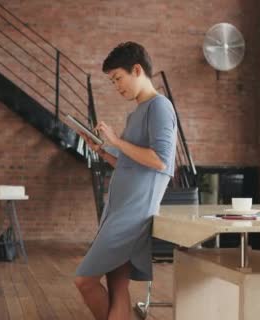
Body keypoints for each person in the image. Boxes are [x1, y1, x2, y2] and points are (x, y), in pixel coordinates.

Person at [74, 41, 178, 320]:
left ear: (137, 70)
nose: (117, 86)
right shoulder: (136, 113)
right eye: (112, 81)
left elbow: (161, 161)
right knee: (118, 288)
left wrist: (116, 140)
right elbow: (129, 164)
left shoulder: (160, 107)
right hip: (118, 209)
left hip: (133, 213)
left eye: (118, 78)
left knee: (84, 281)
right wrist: (102, 150)